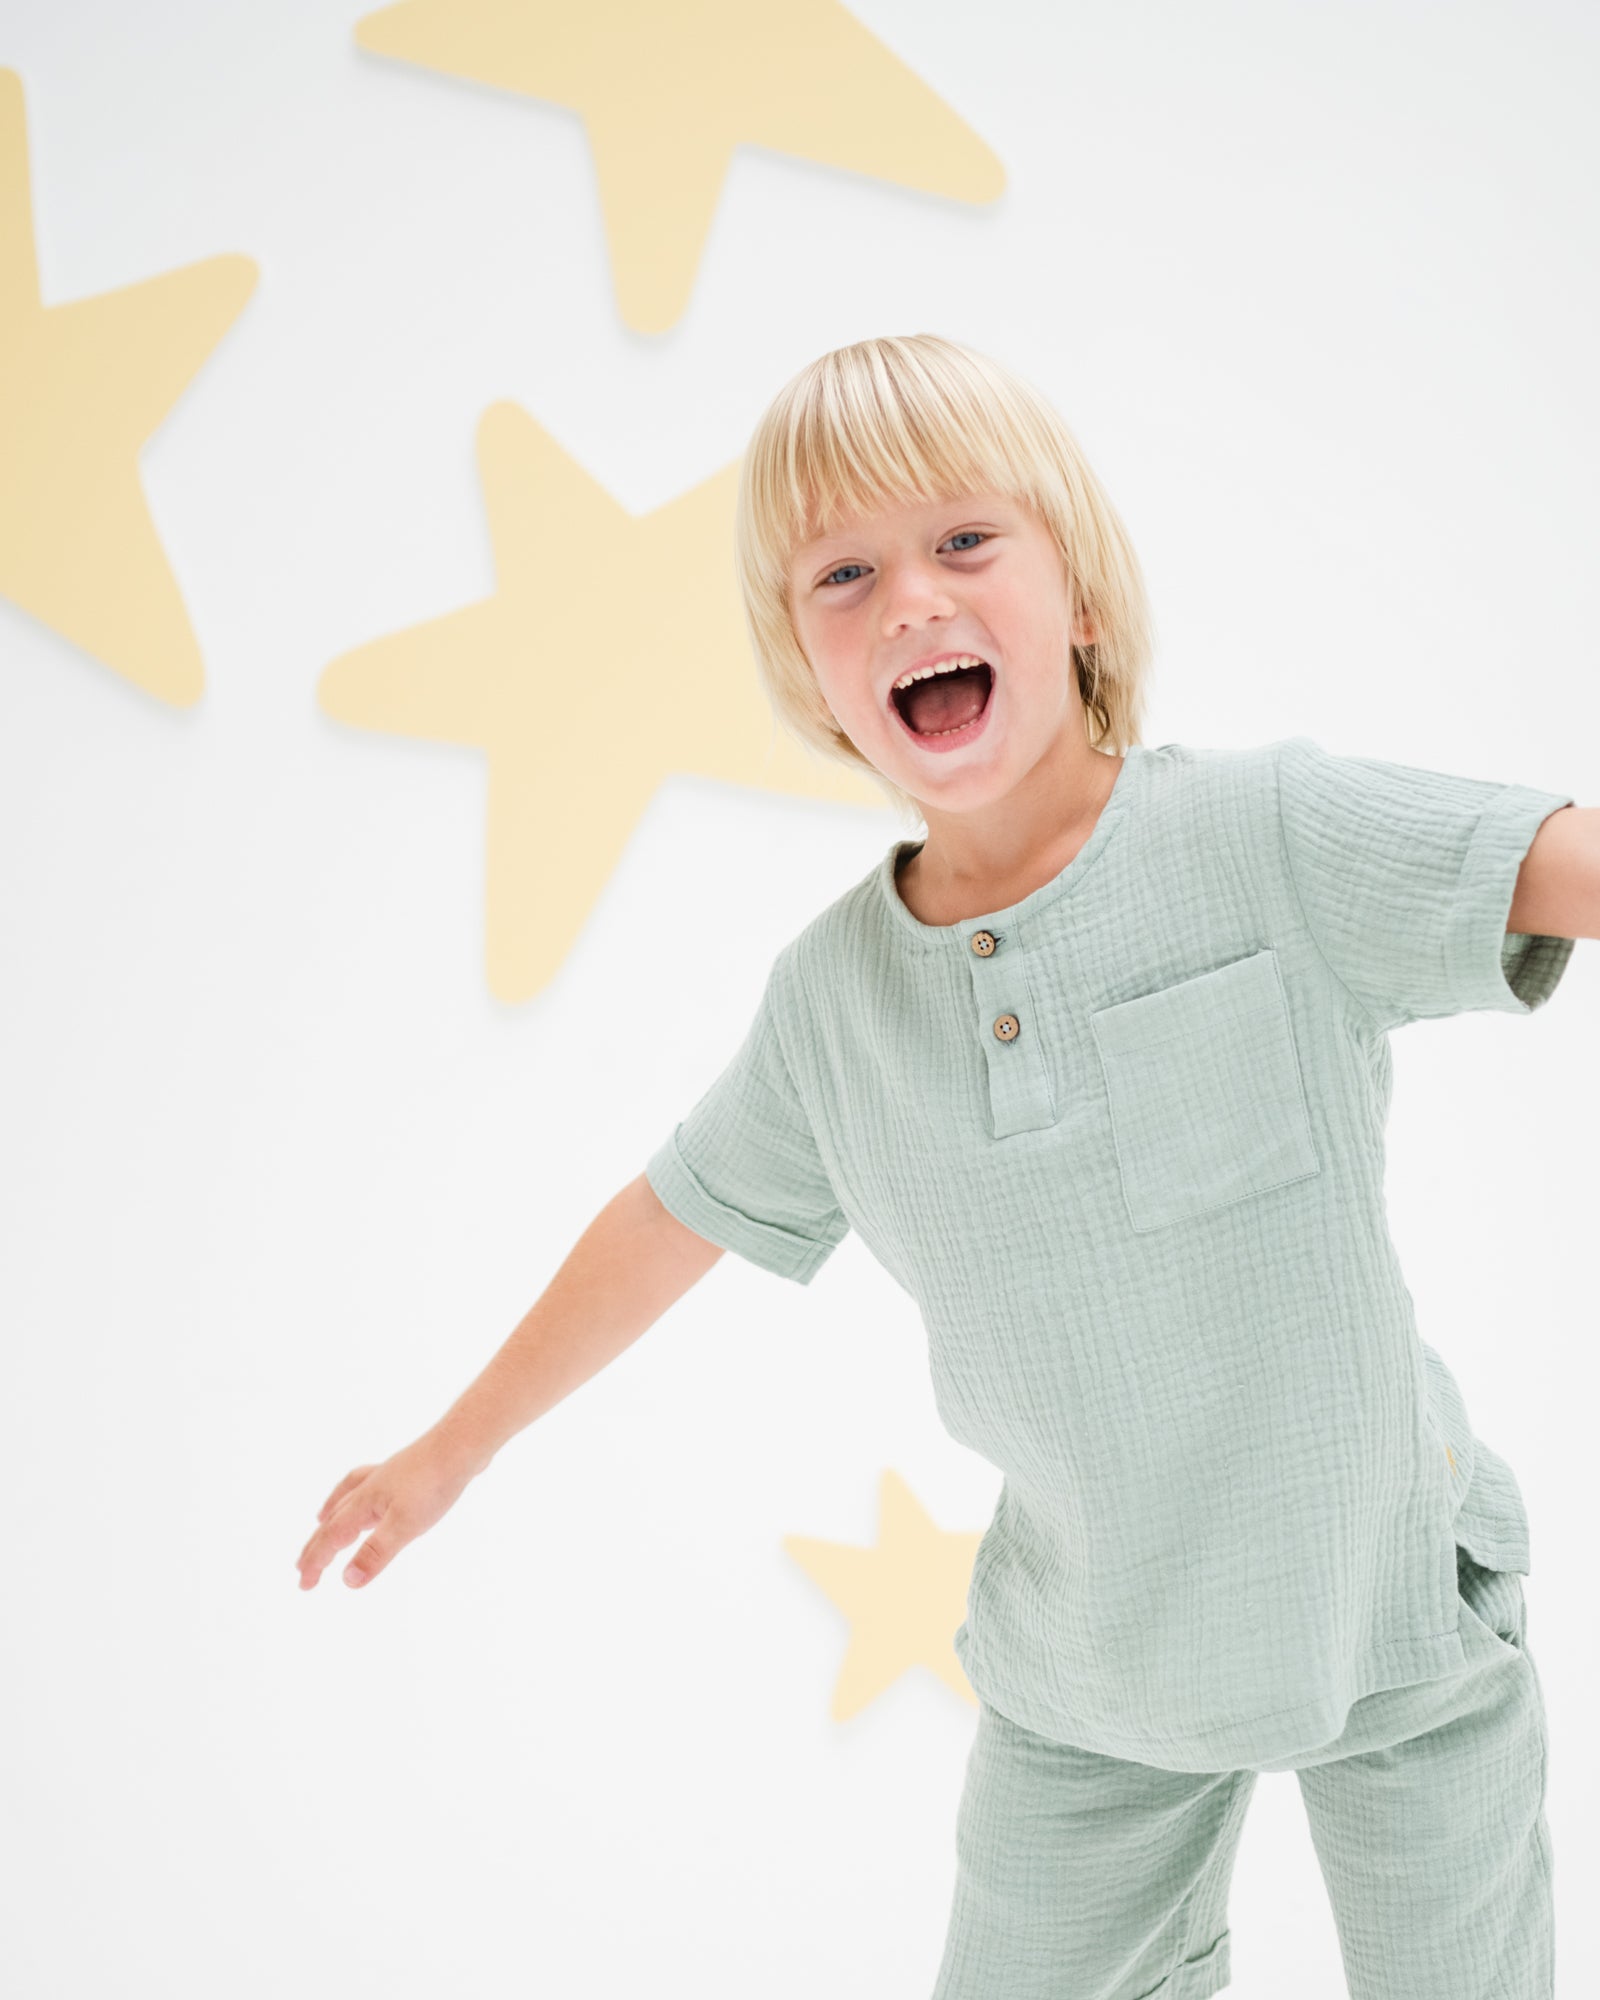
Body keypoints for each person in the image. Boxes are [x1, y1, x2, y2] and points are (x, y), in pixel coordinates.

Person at [296, 334, 1595, 1998]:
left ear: (1083, 605)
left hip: (1393, 1605)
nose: (911, 598)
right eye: (846, 573)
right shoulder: (836, 1004)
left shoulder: (1270, 832)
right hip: (1093, 1670)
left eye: (966, 541)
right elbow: (664, 1219)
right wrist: (446, 1451)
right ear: (809, 675)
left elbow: (1564, 867)